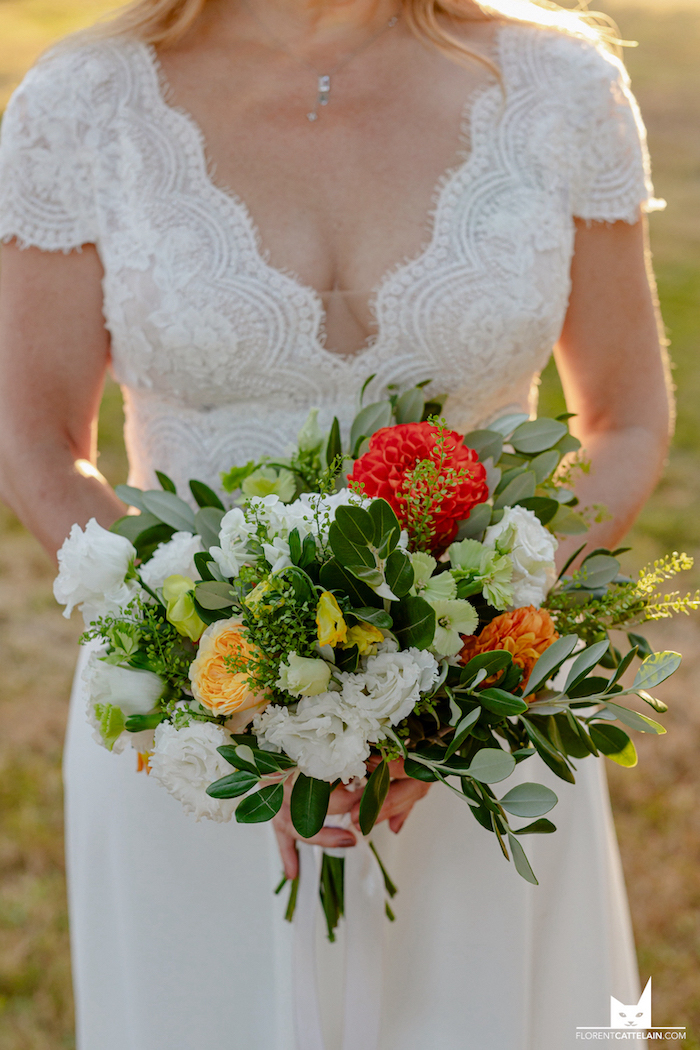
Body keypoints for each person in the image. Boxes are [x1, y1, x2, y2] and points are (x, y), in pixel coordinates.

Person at [0, 0, 672, 1045]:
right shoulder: (84, 102)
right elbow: (39, 440)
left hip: (483, 721)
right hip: (193, 727)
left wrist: (472, 661)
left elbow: (625, 418)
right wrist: (216, 679)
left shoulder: (560, 85)